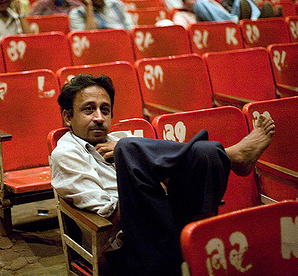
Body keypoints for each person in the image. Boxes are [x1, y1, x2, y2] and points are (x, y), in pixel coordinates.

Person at [50, 74, 275, 276]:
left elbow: (169, 181)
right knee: (130, 149)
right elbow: (109, 218)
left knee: (201, 153)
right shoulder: (66, 154)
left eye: (105, 109)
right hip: (126, 247)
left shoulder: (120, 138)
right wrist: (141, 174)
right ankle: (231, 156)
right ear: (68, 117)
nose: (99, 117)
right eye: (89, 109)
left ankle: (198, 233)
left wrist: (143, 170)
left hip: (167, 227)